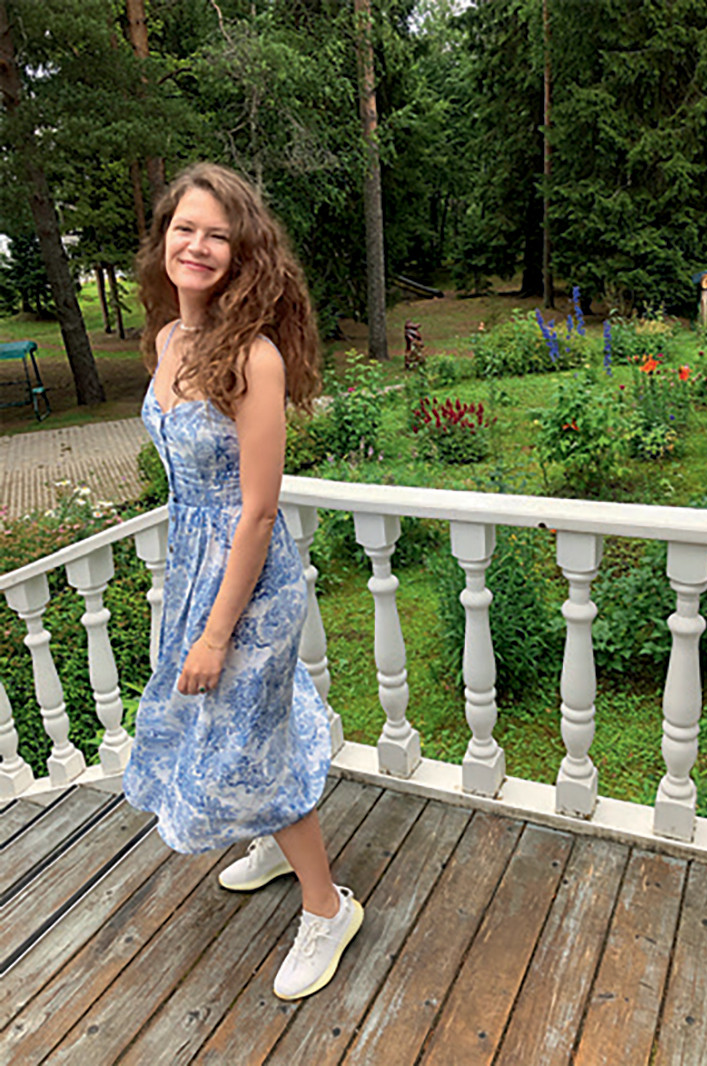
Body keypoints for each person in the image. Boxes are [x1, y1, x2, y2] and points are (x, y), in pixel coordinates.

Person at [122, 161, 362, 1001]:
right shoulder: (166, 341)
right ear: (164, 239)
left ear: (243, 253)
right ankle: (274, 842)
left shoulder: (254, 356)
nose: (197, 245)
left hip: (250, 584)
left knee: (252, 741)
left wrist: (216, 633)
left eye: (217, 235)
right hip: (195, 564)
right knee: (243, 728)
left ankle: (328, 909)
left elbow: (258, 511)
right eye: (184, 228)